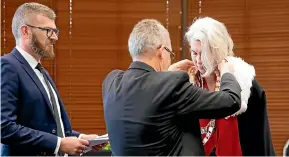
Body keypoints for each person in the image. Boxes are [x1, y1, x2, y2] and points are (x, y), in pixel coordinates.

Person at [102, 19, 242, 156]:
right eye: (170, 53)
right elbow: (231, 100)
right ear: (162, 52)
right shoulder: (170, 84)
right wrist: (226, 70)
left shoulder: (111, 82)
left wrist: (166, 74)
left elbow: (147, 101)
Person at [1, 2, 99, 156]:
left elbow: (49, 127)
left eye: (55, 31)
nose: (55, 37)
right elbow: (4, 127)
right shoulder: (8, 66)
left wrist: (80, 138)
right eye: (48, 31)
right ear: (25, 31)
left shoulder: (41, 71)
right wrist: (59, 144)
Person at [185, 17, 276, 156]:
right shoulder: (188, 85)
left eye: (204, 54)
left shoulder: (247, 87)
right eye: (194, 53)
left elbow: (259, 143)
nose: (198, 61)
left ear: (218, 52)